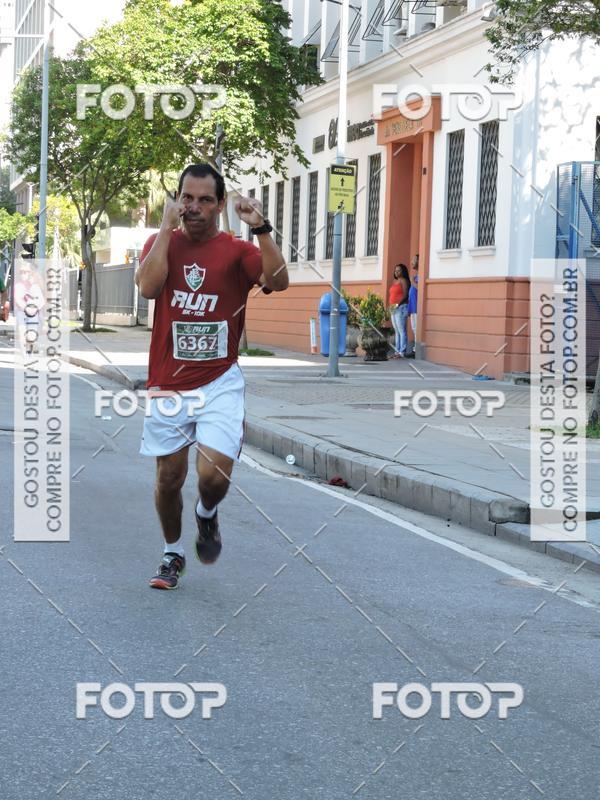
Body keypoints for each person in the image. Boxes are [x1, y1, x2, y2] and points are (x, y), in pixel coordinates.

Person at [135, 163, 288, 590]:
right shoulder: (158, 243)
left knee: (212, 476)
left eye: (205, 199)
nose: (195, 207)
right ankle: (172, 553)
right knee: (168, 478)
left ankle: (206, 515)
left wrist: (261, 229)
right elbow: (148, 288)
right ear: (177, 200)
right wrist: (165, 231)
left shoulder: (237, 251)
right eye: (187, 198)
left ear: (221, 205)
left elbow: (280, 280)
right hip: (168, 382)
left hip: (219, 382)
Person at [388, 263, 410, 358]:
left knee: (401, 330)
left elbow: (405, 295)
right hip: (393, 307)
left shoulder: (404, 281)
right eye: (395, 270)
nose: (396, 272)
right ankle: (397, 351)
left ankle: (402, 351)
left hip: (400, 307)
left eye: (399, 270)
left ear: (403, 271)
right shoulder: (395, 281)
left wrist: (397, 304)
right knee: (396, 331)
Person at [407, 254, 419, 358]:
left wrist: (412, 281)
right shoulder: (415, 276)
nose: (412, 262)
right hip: (412, 307)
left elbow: (419, 288)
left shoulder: (419, 276)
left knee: (416, 328)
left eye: (414, 260)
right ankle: (414, 349)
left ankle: (416, 350)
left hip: (417, 307)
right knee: (414, 328)